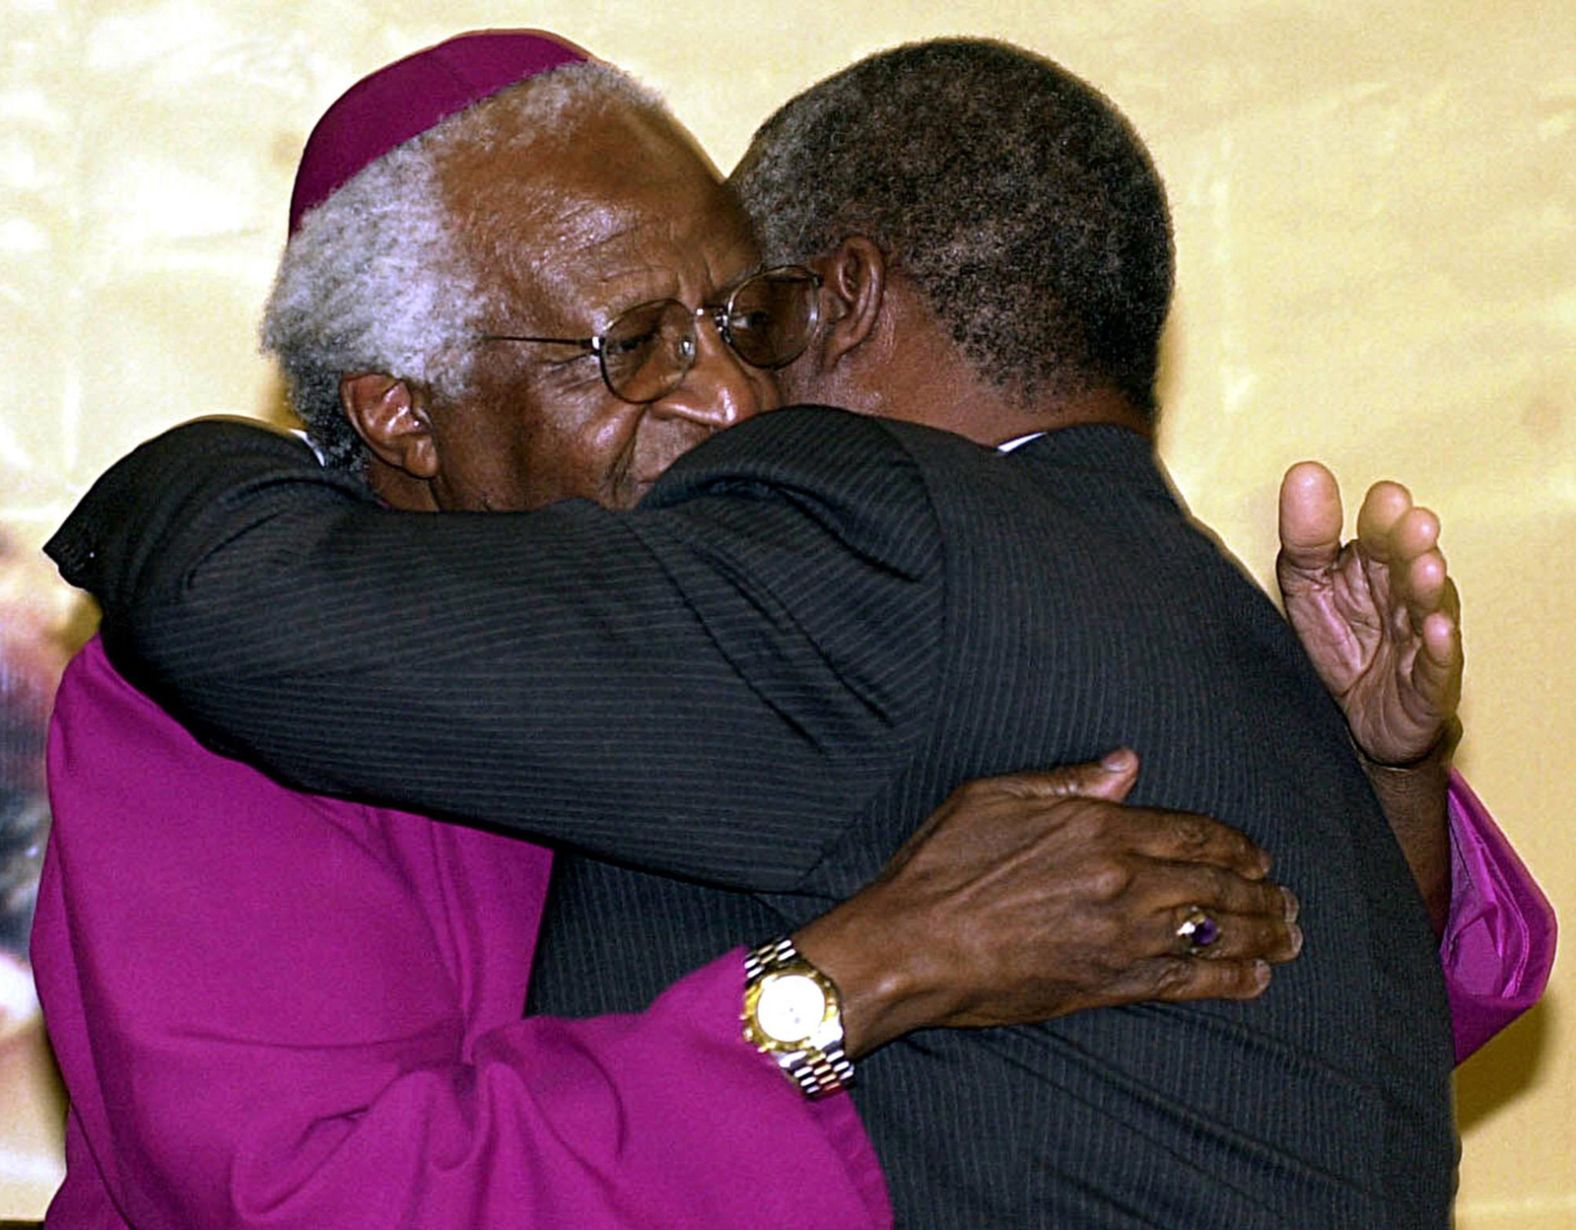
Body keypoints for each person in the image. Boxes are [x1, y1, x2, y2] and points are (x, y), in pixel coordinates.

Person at [44, 32, 1553, 1230]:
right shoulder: (209, 704)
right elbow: (321, 1198)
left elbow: (1246, 1028)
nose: (727, 404)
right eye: (636, 345)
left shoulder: (763, 605)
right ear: (399, 411)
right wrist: (854, 980)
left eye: (741, 323)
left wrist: (1382, 781)